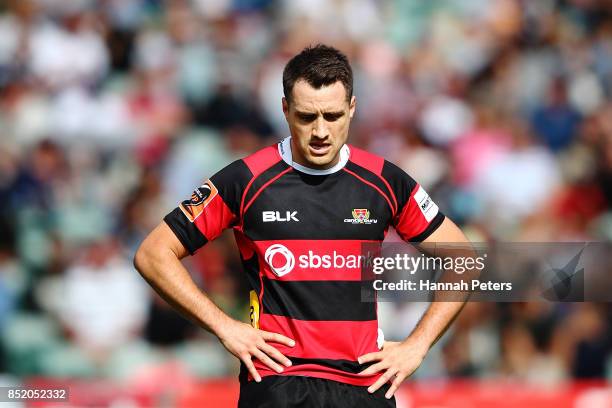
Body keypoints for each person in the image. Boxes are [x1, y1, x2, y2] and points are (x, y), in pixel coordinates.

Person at [134, 44, 470, 407]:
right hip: (280, 383)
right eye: (307, 117)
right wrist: (224, 327)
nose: (321, 131)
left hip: (366, 387)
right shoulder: (246, 180)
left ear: (352, 109)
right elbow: (153, 254)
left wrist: (416, 346)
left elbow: (463, 258)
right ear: (285, 110)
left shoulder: (384, 181)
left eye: (333, 115)